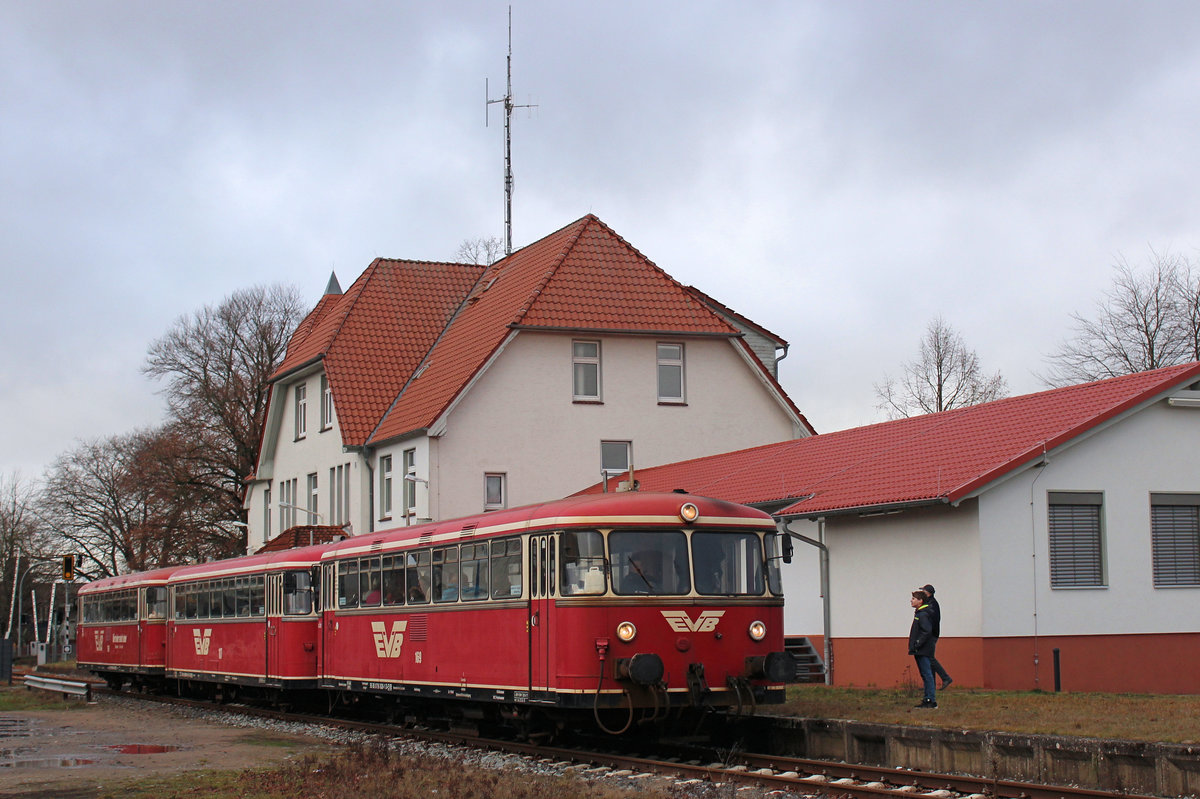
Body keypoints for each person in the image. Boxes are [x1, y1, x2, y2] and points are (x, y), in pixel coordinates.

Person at [908, 589, 938, 709]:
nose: (911, 601)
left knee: (927, 674)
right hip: (921, 649)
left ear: (920, 601)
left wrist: (917, 643)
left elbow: (926, 631)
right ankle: (927, 698)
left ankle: (930, 700)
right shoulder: (920, 613)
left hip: (923, 650)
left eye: (914, 599)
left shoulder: (923, 614)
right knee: (925, 674)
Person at [921, 583, 953, 689]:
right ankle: (931, 684)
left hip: (931, 635)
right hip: (931, 634)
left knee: (929, 658)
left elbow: (931, 621)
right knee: (929, 658)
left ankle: (945, 678)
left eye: (924, 591)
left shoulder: (932, 604)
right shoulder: (930, 603)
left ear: (928, 593)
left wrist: (927, 633)